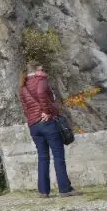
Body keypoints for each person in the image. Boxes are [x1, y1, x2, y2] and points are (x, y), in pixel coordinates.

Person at [19, 63, 79, 198]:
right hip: (46, 123)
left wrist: (33, 118)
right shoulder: (40, 80)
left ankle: (43, 191)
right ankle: (65, 189)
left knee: (42, 157)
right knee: (58, 156)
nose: (43, 70)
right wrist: (47, 111)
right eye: (41, 68)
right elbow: (41, 93)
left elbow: (25, 108)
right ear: (37, 70)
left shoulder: (22, 86)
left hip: (33, 125)